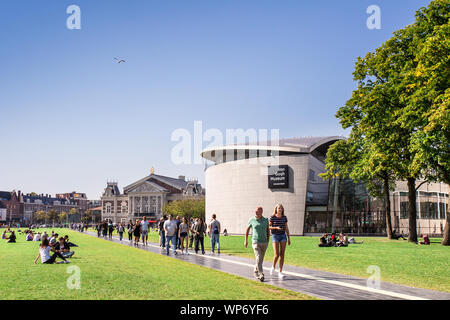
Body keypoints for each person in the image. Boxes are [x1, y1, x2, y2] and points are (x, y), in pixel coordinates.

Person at [244, 206, 270, 282]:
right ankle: (261, 273)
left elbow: (268, 230)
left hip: (264, 242)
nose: (255, 212)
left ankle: (255, 271)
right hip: (255, 242)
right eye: (255, 211)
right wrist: (245, 240)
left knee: (260, 259)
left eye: (257, 211)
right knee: (258, 257)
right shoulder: (252, 220)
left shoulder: (265, 220)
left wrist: (268, 240)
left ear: (261, 212)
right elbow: (247, 230)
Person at [269, 204, 290, 279]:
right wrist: (276, 228)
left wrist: (289, 238)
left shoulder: (284, 217)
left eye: (281, 208)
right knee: (276, 255)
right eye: (278, 208)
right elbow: (269, 227)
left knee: (282, 255)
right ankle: (273, 266)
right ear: (276, 209)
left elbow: (286, 228)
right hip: (275, 236)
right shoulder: (272, 217)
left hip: (283, 236)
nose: (280, 209)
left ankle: (280, 272)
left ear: (282, 209)